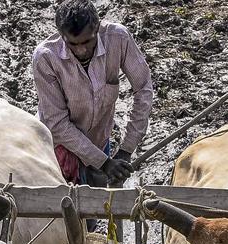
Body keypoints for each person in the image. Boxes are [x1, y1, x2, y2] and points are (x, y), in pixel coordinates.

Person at [31, 0, 154, 189]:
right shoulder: (46, 58)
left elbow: (143, 87)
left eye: (88, 41)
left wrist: (126, 149)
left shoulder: (118, 38)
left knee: (98, 205)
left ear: (97, 28)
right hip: (60, 147)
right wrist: (104, 163)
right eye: (73, 44)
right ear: (61, 36)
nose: (81, 50)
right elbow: (57, 123)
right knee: (66, 206)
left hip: (99, 140)